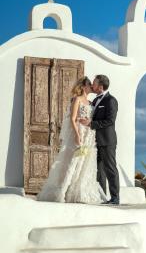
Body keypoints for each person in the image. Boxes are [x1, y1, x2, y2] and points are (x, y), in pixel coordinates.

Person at [37, 76, 107, 204]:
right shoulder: (77, 99)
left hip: (89, 135)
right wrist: (77, 134)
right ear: (83, 86)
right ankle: (63, 191)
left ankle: (77, 191)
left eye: (92, 84)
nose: (92, 85)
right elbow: (73, 118)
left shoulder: (91, 102)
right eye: (89, 84)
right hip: (79, 133)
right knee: (73, 160)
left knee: (84, 161)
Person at [80, 75, 120, 205]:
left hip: (107, 141)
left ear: (101, 86)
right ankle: (102, 196)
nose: (92, 85)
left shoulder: (111, 100)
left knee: (110, 169)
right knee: (98, 170)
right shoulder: (96, 100)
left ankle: (115, 198)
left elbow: (110, 121)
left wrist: (91, 124)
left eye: (95, 83)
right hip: (95, 141)